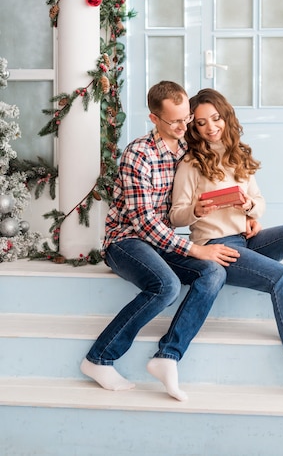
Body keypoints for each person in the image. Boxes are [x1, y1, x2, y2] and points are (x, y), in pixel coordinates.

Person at [169, 88, 283, 402]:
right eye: (201, 123)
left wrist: (249, 209)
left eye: (215, 118)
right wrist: (196, 211)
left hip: (245, 237)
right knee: (281, 278)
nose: (210, 127)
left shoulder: (238, 153)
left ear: (225, 117)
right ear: (194, 127)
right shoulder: (191, 163)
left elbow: (259, 202)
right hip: (217, 246)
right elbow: (176, 216)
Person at [80, 81, 240, 401]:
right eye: (175, 121)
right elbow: (143, 222)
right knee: (165, 286)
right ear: (154, 119)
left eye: (187, 118)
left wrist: (246, 211)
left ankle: (167, 356)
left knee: (214, 272)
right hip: (126, 241)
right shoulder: (138, 155)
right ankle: (99, 358)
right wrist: (195, 249)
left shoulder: (187, 150)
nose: (184, 127)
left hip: (161, 241)